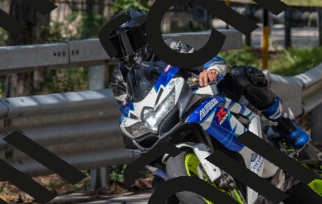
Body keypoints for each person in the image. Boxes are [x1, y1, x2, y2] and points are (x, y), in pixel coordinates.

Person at [108, 9, 310, 150]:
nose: (126, 49)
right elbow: (128, 110)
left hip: (202, 99)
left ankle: (285, 126)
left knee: (241, 76)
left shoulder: (170, 48)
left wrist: (210, 71)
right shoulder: (119, 77)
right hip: (168, 122)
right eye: (119, 44)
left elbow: (209, 60)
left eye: (130, 40)